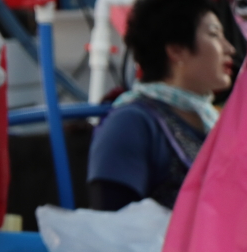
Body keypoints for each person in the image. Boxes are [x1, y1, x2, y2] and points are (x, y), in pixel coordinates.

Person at [87, 0, 236, 210]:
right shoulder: (130, 124)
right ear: (177, 50)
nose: (229, 48)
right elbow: (111, 229)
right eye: (214, 35)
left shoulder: (214, 122)